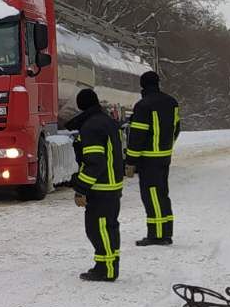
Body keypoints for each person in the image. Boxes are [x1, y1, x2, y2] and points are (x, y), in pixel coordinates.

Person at [67, 88, 125, 281]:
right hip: (113, 185)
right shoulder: (108, 122)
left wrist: (81, 188)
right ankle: (105, 264)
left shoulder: (91, 127)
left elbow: (95, 161)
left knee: (97, 228)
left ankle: (107, 269)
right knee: (108, 227)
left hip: (101, 187)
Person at [126, 70, 181, 245]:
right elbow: (176, 128)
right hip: (164, 156)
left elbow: (137, 136)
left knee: (151, 195)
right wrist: (167, 146)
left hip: (149, 159)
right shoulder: (172, 102)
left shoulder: (143, 106)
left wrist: (130, 160)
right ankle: (166, 232)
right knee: (162, 194)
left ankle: (157, 235)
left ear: (142, 85)